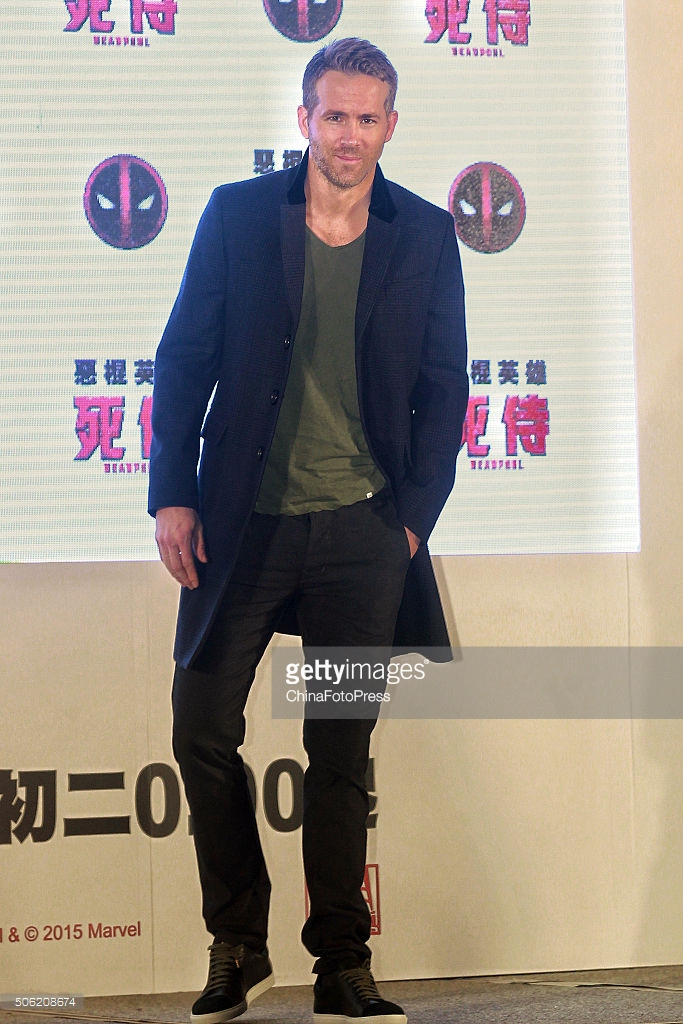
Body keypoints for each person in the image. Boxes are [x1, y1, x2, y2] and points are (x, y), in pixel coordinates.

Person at [149, 37, 468, 1024]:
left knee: (339, 752)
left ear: (390, 125)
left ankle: (341, 962)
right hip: (242, 529)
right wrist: (171, 492)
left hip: (361, 539)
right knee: (202, 730)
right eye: (334, 115)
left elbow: (444, 386)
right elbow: (182, 357)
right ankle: (237, 944)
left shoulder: (425, 234)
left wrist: (409, 522)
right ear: (304, 119)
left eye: (367, 117)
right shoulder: (239, 216)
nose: (349, 134)